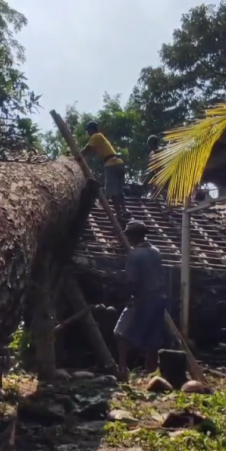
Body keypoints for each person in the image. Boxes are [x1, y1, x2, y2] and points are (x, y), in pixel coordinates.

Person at [113, 220, 168, 381]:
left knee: (120, 332)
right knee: (153, 338)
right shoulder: (156, 251)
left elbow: (132, 281)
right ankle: (152, 374)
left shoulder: (134, 254)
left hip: (144, 298)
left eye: (129, 235)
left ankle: (122, 369)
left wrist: (128, 297)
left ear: (134, 236)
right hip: (160, 298)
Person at [81, 121, 126, 207]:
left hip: (111, 164)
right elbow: (90, 153)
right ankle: (124, 210)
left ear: (91, 130)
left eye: (88, 131)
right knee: (119, 191)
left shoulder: (95, 136)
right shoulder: (100, 138)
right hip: (119, 163)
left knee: (112, 192)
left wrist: (76, 156)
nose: (88, 133)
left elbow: (87, 149)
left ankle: (118, 213)